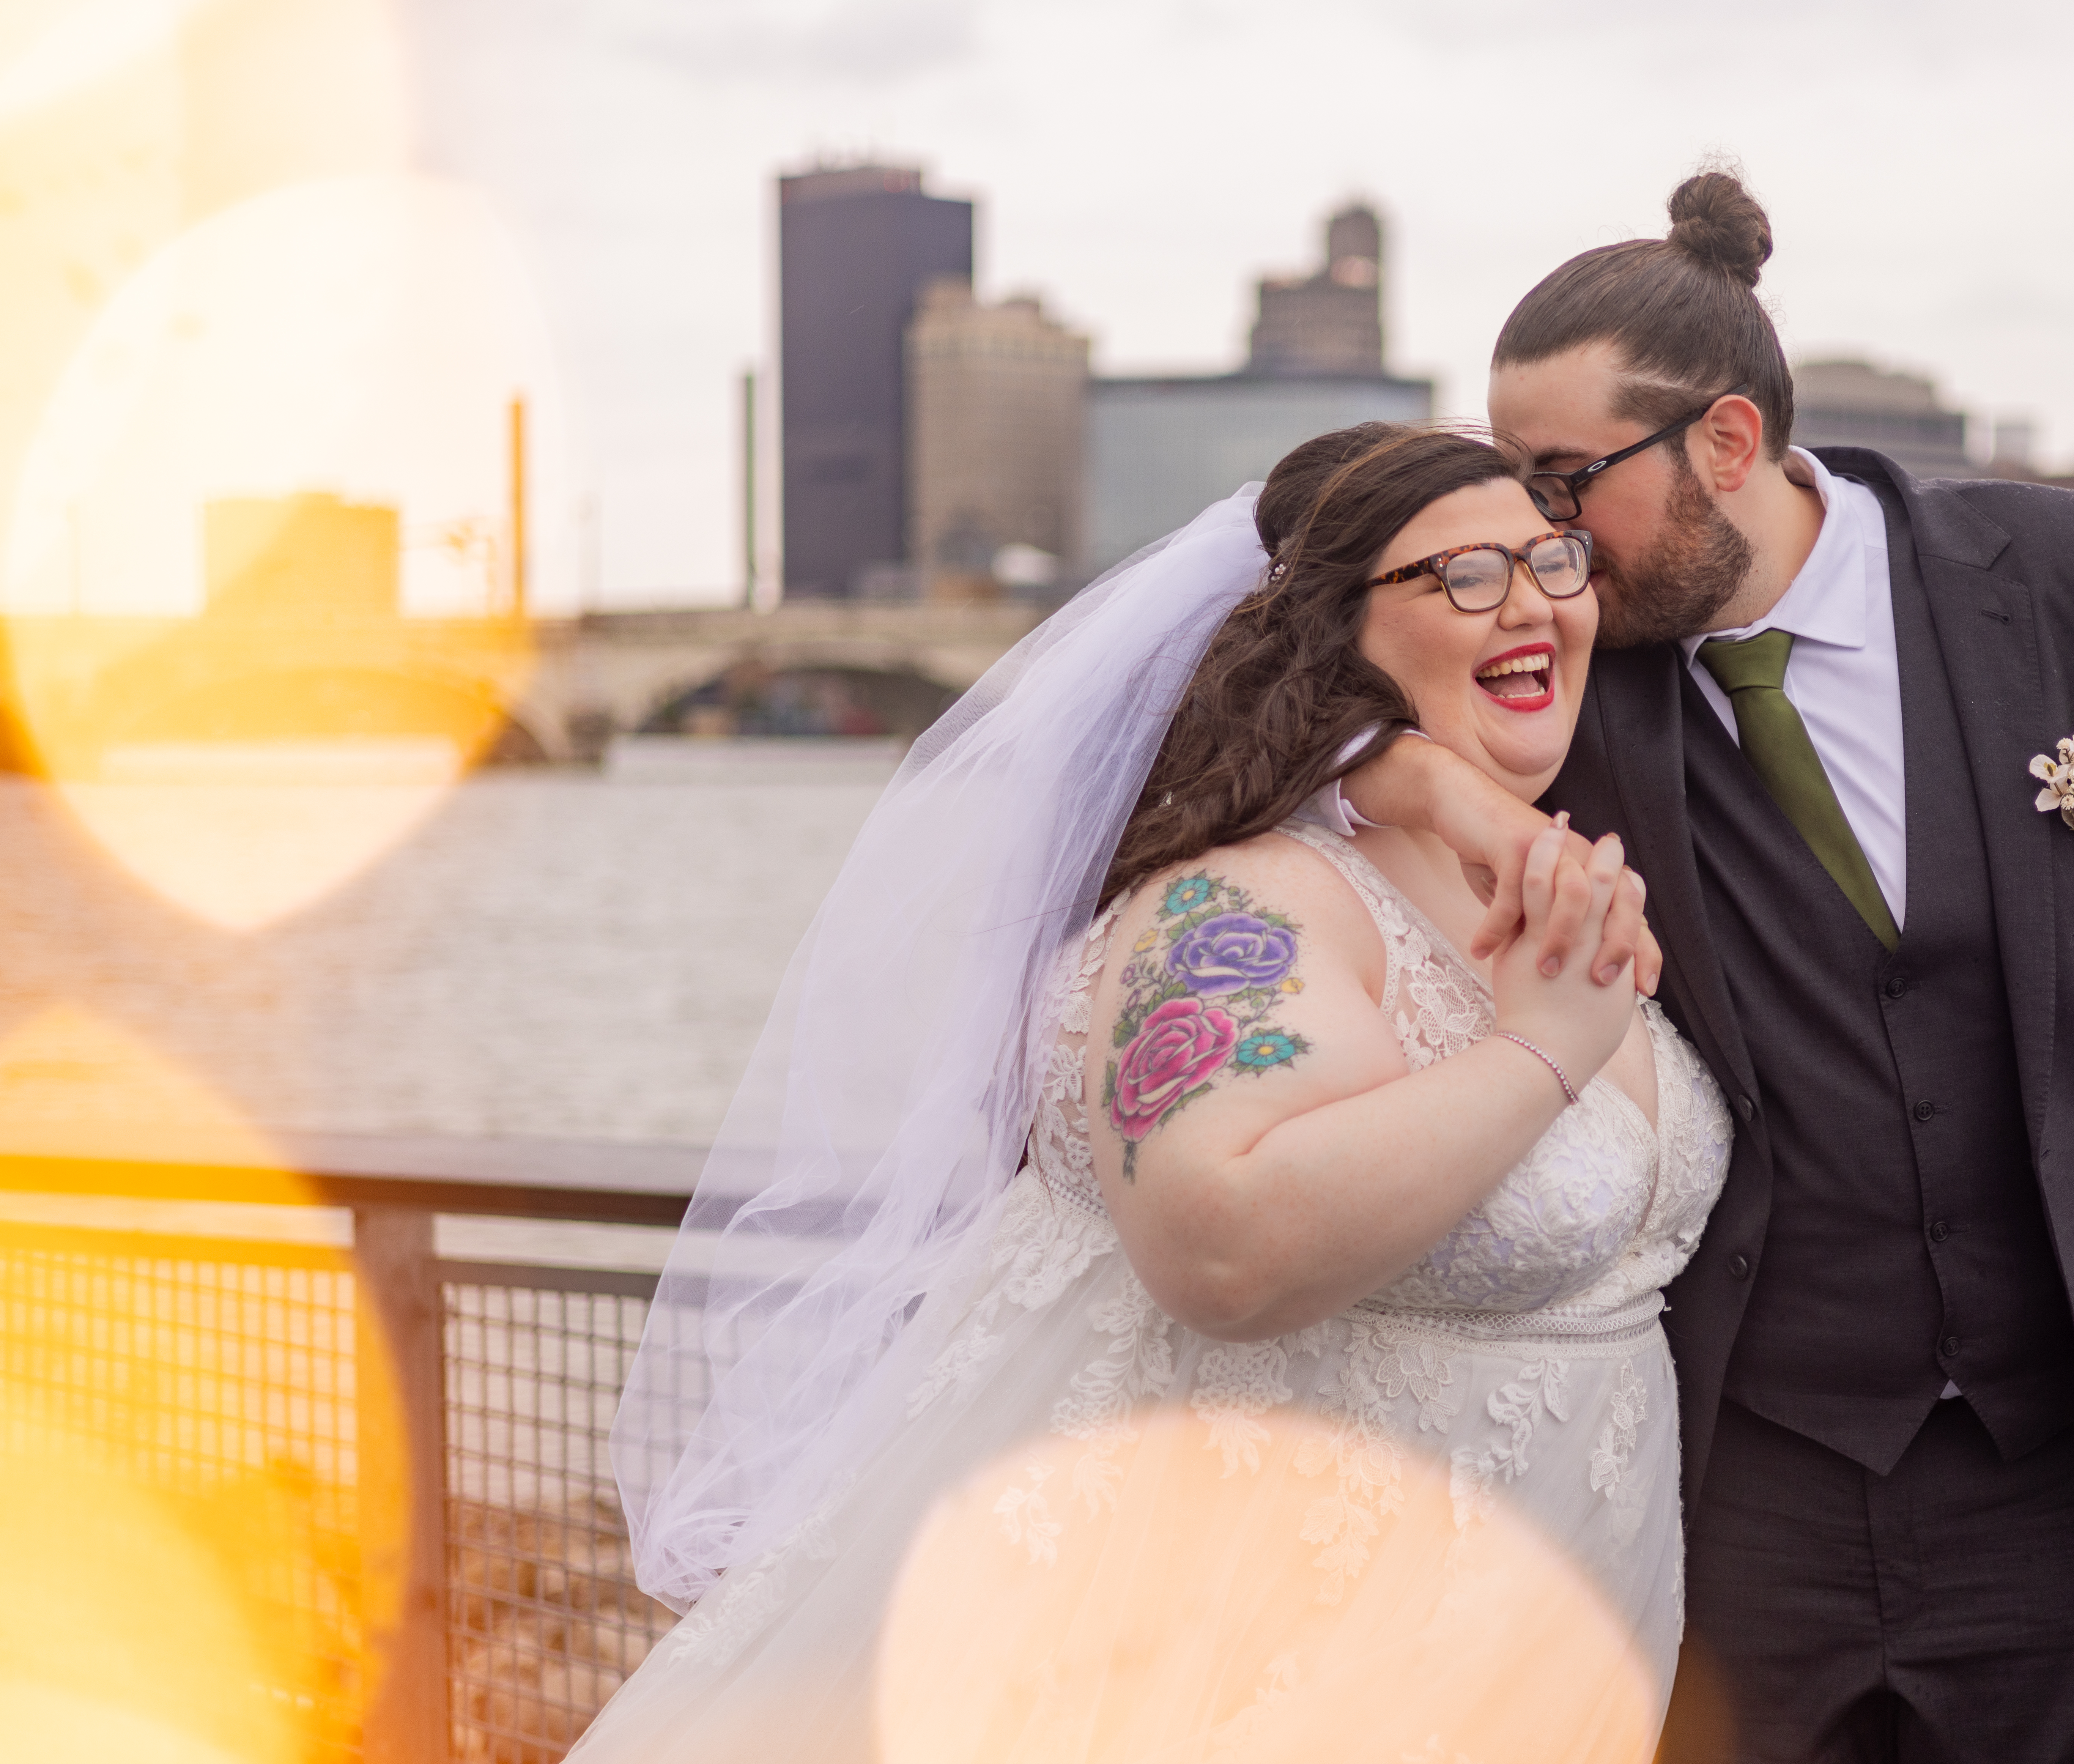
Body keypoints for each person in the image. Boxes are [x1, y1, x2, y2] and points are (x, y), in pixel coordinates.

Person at [1340, 170, 2074, 1762]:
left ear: (1724, 445)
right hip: (1742, 1493)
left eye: (1562, 479)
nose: (1536, 534)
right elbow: (1280, 692)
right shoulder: (1566, 667)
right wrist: (1423, 781)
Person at [578, 426, 1731, 1762]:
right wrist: (1540, 1053)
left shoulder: (1532, 855)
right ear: (1336, 630)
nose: (1533, 600)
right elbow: (1216, 1239)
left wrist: (1413, 775)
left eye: (1553, 559)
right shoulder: (1243, 899)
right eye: (1467, 575)